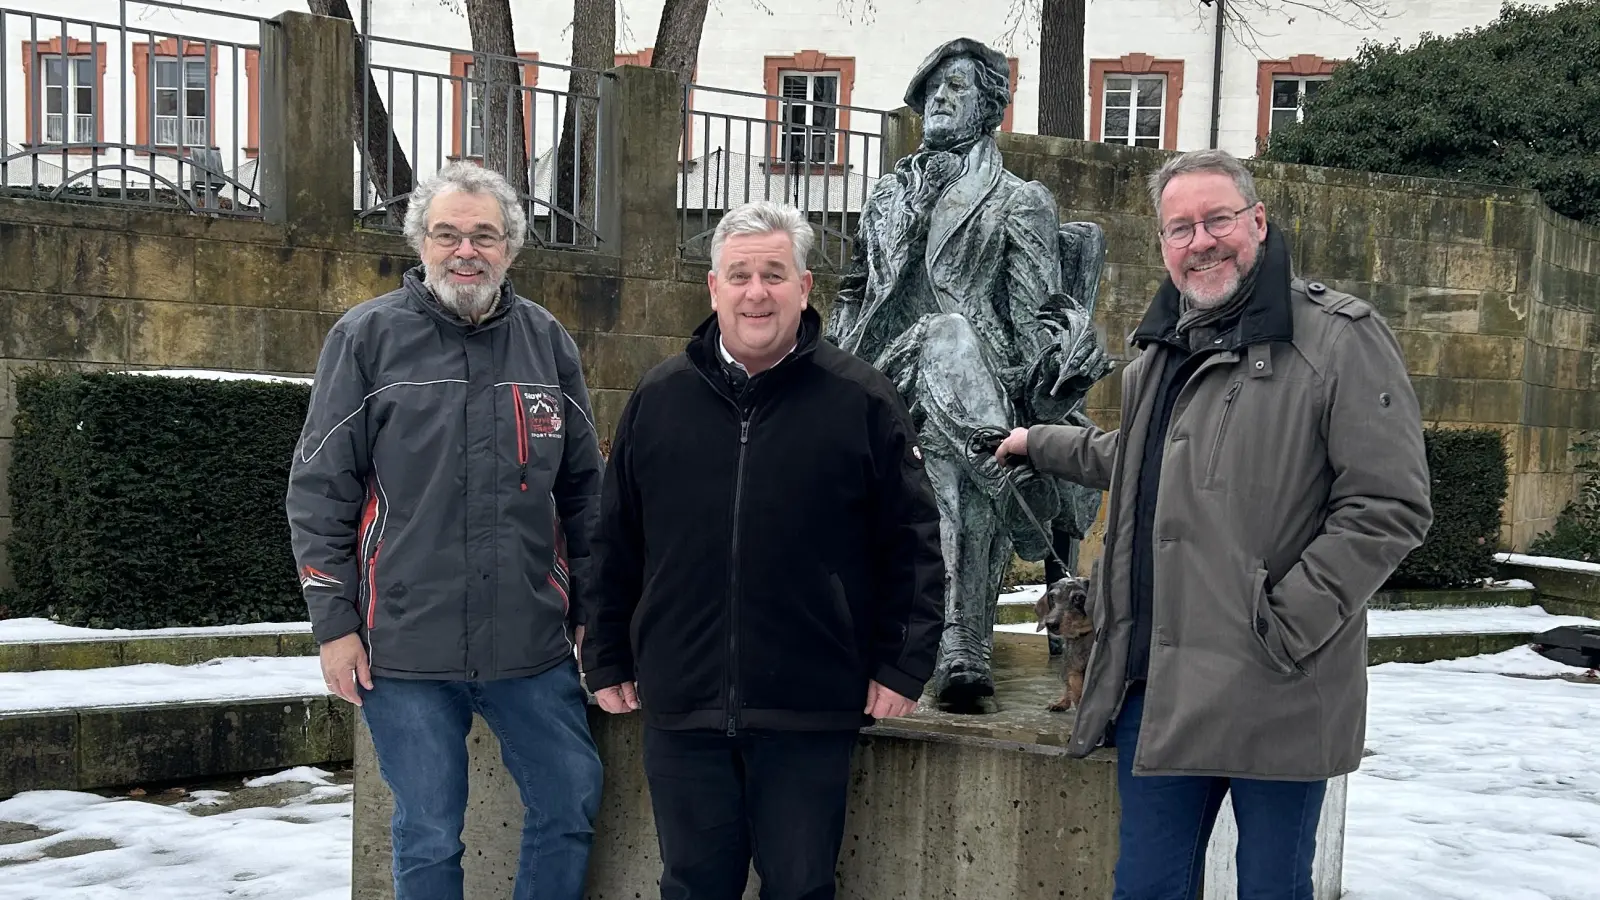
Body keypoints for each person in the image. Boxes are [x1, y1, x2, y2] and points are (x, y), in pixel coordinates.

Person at [995, 149, 1433, 899]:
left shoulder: (1338, 338)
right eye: (1180, 228)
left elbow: (1389, 505)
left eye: (1218, 219)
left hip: (1278, 687)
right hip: (1157, 689)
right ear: (1163, 246)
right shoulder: (1158, 359)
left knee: (1271, 888)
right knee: (1146, 889)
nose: (1201, 241)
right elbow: (1140, 459)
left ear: (1257, 222)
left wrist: (1283, 623)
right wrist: (1039, 443)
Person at [582, 199, 946, 900]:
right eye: (740, 275)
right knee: (691, 885)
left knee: (801, 887)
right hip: (683, 702)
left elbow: (912, 544)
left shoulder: (861, 400)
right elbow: (615, 539)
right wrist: (606, 656)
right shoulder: (658, 398)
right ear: (713, 288)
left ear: (805, 288)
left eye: (774, 274)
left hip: (809, 705)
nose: (757, 292)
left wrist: (903, 665)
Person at [285, 161, 605, 900]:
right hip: (403, 649)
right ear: (420, 244)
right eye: (448, 234)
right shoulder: (365, 339)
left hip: (530, 643)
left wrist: (593, 612)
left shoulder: (547, 342)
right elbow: (318, 491)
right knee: (428, 830)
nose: (467, 250)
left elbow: (588, 493)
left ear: (511, 247)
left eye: (484, 235)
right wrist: (334, 627)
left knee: (570, 800)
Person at [824, 37, 1113, 707]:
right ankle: (998, 481)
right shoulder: (889, 196)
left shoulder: (1020, 200)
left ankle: (960, 644)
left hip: (983, 379)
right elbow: (854, 293)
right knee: (943, 353)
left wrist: (1049, 370)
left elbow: (1040, 314)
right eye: (932, 90)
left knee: (949, 382)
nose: (940, 99)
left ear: (991, 109)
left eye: (957, 87)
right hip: (884, 378)